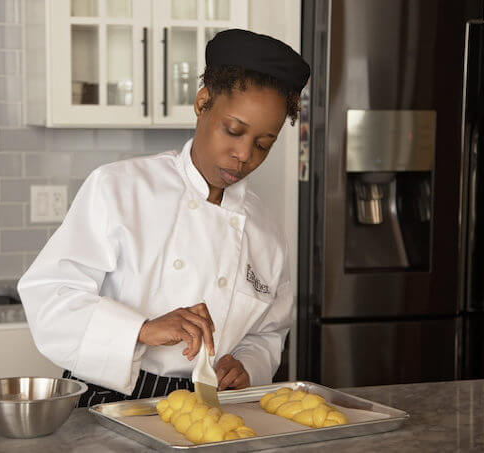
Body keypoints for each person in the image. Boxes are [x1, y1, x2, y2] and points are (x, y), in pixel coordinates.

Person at [18, 29, 310, 407]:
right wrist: (141, 329)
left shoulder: (267, 232)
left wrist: (248, 366)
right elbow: (50, 296)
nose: (243, 154)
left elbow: (269, 333)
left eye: (262, 144)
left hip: (208, 407)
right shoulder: (120, 188)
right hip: (109, 398)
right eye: (234, 130)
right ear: (203, 102)